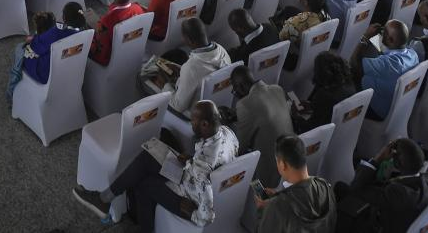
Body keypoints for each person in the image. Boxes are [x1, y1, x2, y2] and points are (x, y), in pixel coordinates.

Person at [72, 100, 238, 228]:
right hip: (191, 176)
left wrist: (193, 213)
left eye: (193, 120)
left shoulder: (202, 169)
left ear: (205, 124)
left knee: (143, 181)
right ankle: (105, 199)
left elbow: (206, 217)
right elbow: (218, 161)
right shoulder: (228, 133)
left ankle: (105, 199)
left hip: (187, 196)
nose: (191, 123)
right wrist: (191, 160)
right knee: (148, 157)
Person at [338, 137, 428, 233]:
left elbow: (356, 188)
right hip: (402, 220)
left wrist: (378, 159)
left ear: (397, 163)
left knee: (339, 187)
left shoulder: (396, 193)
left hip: (376, 226)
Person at [255, 135, 336, 233]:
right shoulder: (325, 186)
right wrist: (278, 197)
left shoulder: (276, 208)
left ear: (283, 165)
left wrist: (264, 211)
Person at [6, 4, 86, 103]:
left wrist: (33, 39)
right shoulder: (85, 34)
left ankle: (11, 91)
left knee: (19, 49)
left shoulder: (56, 33)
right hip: (69, 73)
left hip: (45, 75)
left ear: (64, 18)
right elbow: (68, 52)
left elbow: (36, 47)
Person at [229, 67, 294, 187]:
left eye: (234, 89)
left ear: (241, 87)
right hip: (291, 163)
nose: (234, 92)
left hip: (269, 175)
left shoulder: (244, 104)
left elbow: (239, 148)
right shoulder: (277, 89)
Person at [351, 20, 420, 120]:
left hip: (378, 111)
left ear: (390, 40)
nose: (382, 33)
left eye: (384, 32)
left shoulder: (386, 64)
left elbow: (354, 63)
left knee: (351, 75)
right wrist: (377, 37)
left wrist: (365, 37)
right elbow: (389, 51)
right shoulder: (413, 54)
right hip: (399, 107)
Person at [297, 51, 356, 132]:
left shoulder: (324, 95)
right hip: (342, 128)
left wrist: (296, 116)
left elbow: (310, 129)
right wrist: (313, 105)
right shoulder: (350, 85)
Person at [89, 0, 145, 65]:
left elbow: (101, 48)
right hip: (132, 49)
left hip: (111, 57)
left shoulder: (107, 20)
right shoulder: (138, 8)